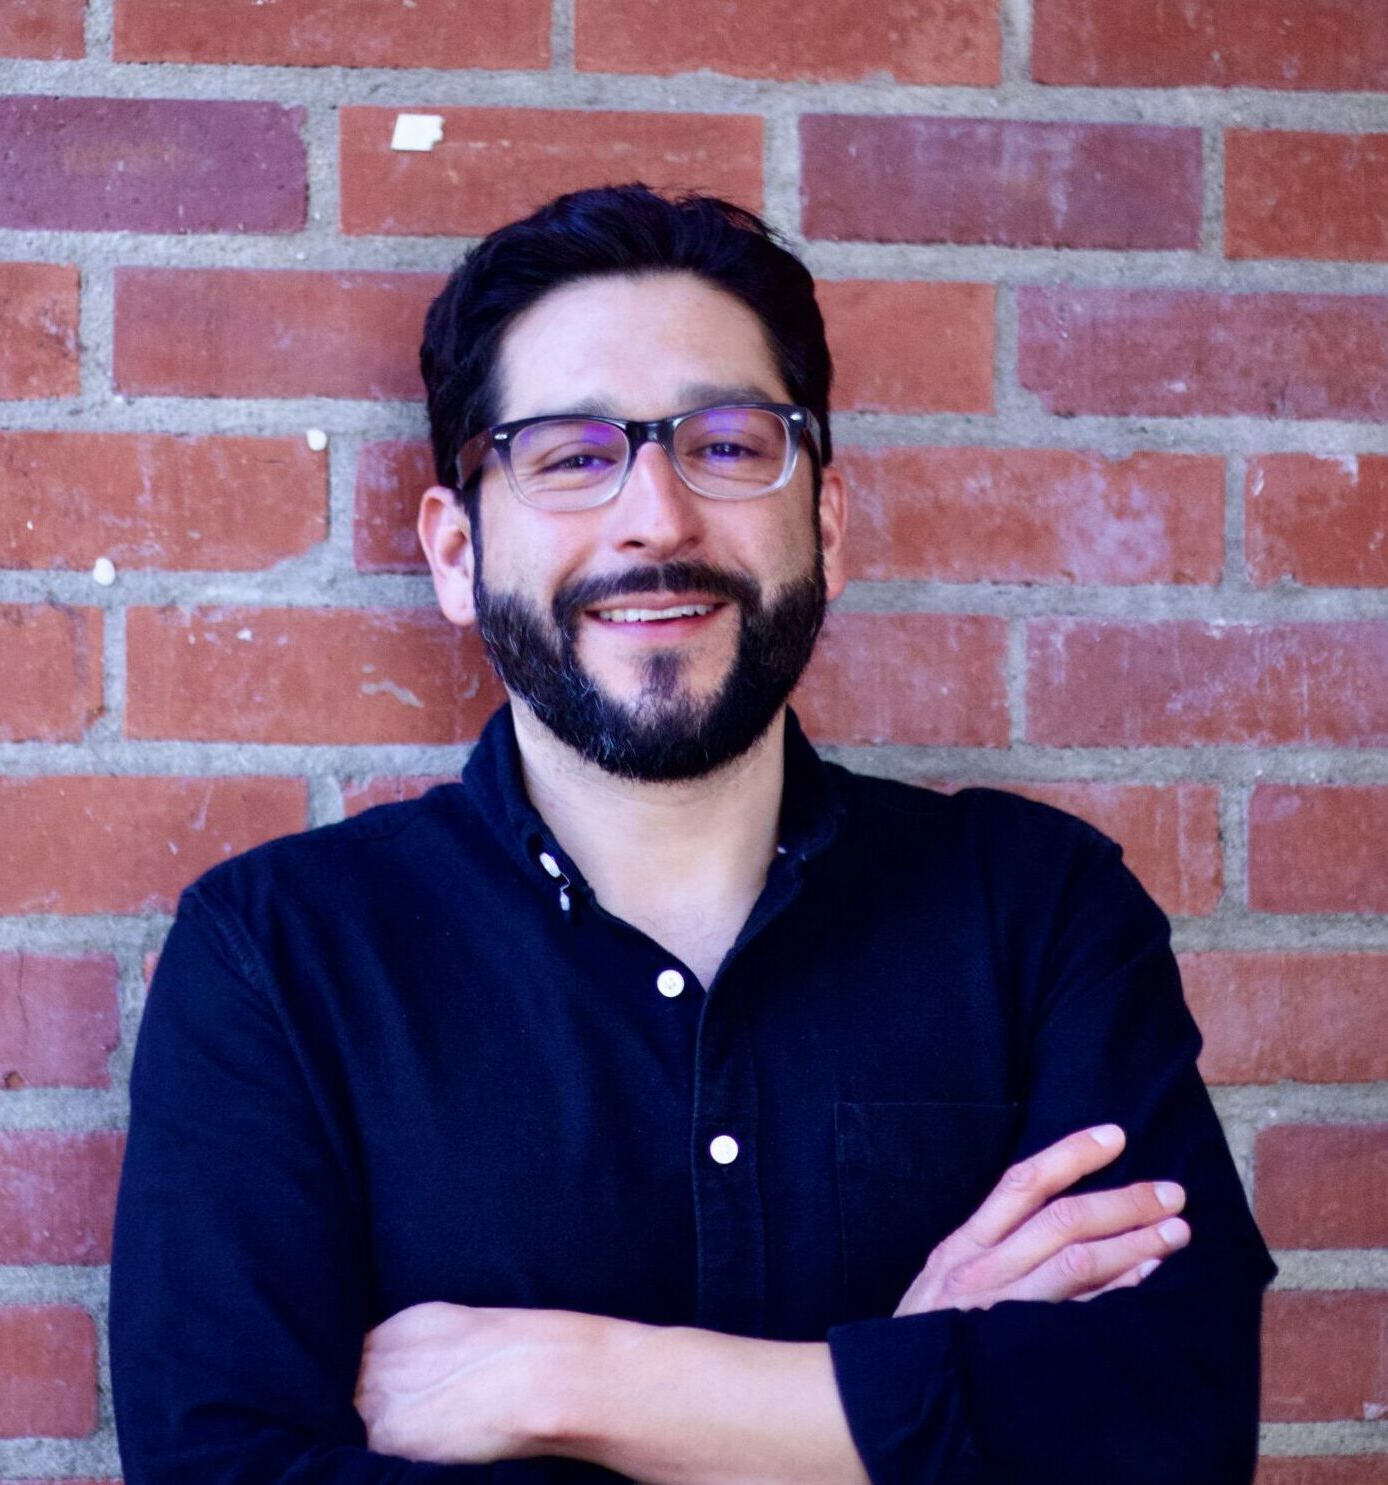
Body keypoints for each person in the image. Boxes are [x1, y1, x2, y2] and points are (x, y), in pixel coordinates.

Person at [109, 185, 1276, 1485]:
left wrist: (572, 1379)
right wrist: (908, 1394)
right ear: (455, 552)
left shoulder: (1041, 912)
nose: (654, 518)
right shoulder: (279, 960)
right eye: (569, 455)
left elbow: (1172, 1427)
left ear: (822, 526)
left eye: (725, 446)